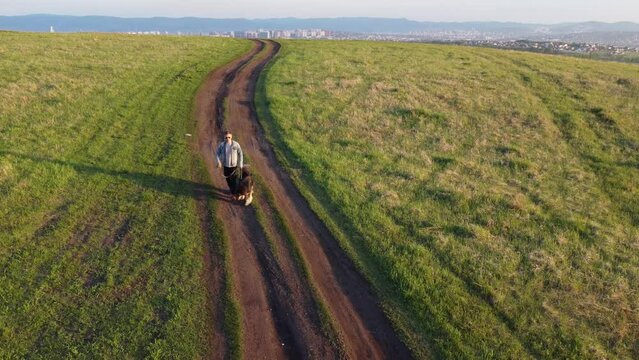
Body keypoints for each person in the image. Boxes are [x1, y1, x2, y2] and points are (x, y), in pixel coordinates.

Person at [215, 130, 244, 199]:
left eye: (229, 137)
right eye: (226, 137)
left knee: (235, 181)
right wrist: (218, 161)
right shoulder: (222, 145)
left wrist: (240, 163)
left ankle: (235, 194)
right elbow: (217, 153)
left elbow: (240, 153)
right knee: (228, 181)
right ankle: (233, 191)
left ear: (231, 137)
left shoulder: (236, 144)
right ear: (224, 138)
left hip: (234, 167)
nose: (227, 139)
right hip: (226, 166)